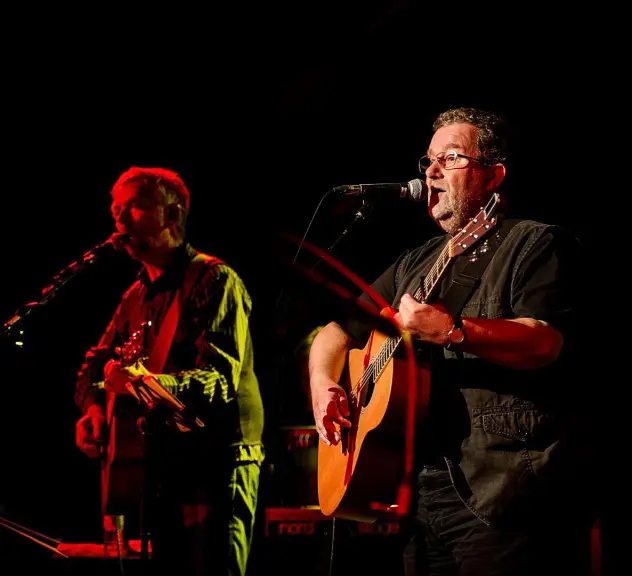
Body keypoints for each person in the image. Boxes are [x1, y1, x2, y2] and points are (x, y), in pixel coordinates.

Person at [308, 107, 596, 575]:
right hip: (422, 498)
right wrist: (324, 385)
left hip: (506, 492)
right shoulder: (416, 262)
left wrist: (454, 331)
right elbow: (335, 331)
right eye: (428, 161)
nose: (432, 172)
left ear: (493, 176)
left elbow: (544, 342)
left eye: (452, 158)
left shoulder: (535, 243)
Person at [73, 166, 265, 576]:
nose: (118, 219)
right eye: (115, 209)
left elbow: (218, 379)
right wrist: (92, 409)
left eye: (134, 208)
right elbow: (94, 362)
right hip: (164, 464)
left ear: (172, 216)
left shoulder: (216, 280)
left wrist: (143, 383)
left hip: (219, 461)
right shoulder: (136, 294)